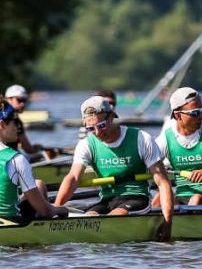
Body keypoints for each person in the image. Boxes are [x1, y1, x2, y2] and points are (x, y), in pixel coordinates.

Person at [54, 96, 174, 240]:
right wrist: (55, 208)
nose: (97, 133)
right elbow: (73, 178)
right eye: (90, 128)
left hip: (137, 198)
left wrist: (167, 224)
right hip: (107, 200)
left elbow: (163, 182)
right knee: (89, 217)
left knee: (115, 216)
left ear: (111, 117)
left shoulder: (141, 138)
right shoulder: (86, 145)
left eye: (102, 125)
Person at [4, 84, 47, 159]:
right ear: (8, 99)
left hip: (2, 157)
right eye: (19, 100)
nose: (23, 103)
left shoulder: (1, 116)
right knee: (39, 157)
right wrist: (38, 148)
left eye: (24, 100)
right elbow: (28, 149)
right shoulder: (13, 120)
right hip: (7, 159)